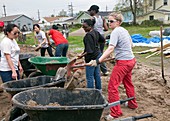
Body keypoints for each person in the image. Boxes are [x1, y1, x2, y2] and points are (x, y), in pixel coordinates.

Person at [88, 12, 138, 120]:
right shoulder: (124, 30)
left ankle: (115, 113)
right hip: (131, 60)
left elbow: (111, 48)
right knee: (128, 83)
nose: (109, 23)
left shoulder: (116, 32)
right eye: (108, 20)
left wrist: (98, 61)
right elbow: (131, 45)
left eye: (111, 21)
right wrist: (117, 53)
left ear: (118, 22)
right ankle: (132, 104)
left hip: (123, 63)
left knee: (112, 87)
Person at [81, 19, 105, 91]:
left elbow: (89, 51)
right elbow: (102, 40)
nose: (84, 29)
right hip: (98, 55)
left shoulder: (88, 36)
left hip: (91, 58)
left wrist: (81, 55)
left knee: (90, 76)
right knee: (97, 74)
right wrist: (96, 46)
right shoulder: (96, 32)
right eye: (83, 27)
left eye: (85, 27)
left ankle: (90, 92)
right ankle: (99, 90)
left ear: (90, 26)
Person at [88, 5, 109, 76]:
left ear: (93, 11)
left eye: (90, 11)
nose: (89, 12)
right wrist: (100, 30)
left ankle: (104, 70)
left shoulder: (92, 19)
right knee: (100, 52)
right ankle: (102, 69)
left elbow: (90, 28)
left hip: (95, 37)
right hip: (102, 36)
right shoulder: (102, 18)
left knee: (97, 53)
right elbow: (106, 28)